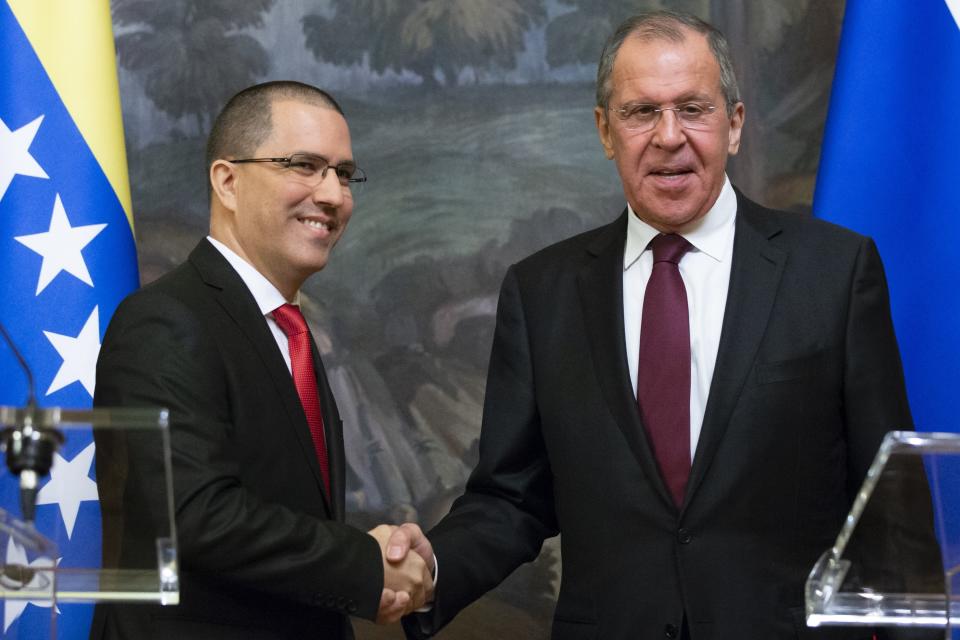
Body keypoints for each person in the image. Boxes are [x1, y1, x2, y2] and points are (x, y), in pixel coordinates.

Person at [398, 11, 939, 640]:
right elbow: (511, 498)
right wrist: (429, 567)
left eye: (693, 108)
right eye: (640, 112)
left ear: (734, 125)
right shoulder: (543, 291)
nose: (668, 136)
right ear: (605, 131)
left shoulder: (835, 272)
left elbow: (892, 511)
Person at [91, 81, 432, 640]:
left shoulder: (287, 328)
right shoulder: (163, 320)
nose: (333, 195)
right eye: (305, 166)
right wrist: (366, 564)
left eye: (344, 174)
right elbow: (196, 517)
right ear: (227, 181)